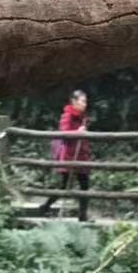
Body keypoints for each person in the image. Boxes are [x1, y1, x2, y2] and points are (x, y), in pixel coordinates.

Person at [47, 89, 92, 221]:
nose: (85, 104)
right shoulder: (67, 116)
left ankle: (83, 215)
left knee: (84, 185)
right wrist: (77, 132)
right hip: (70, 156)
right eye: (82, 101)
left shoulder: (82, 117)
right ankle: (46, 206)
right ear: (74, 102)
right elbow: (64, 134)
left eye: (85, 101)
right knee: (65, 185)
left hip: (81, 156)